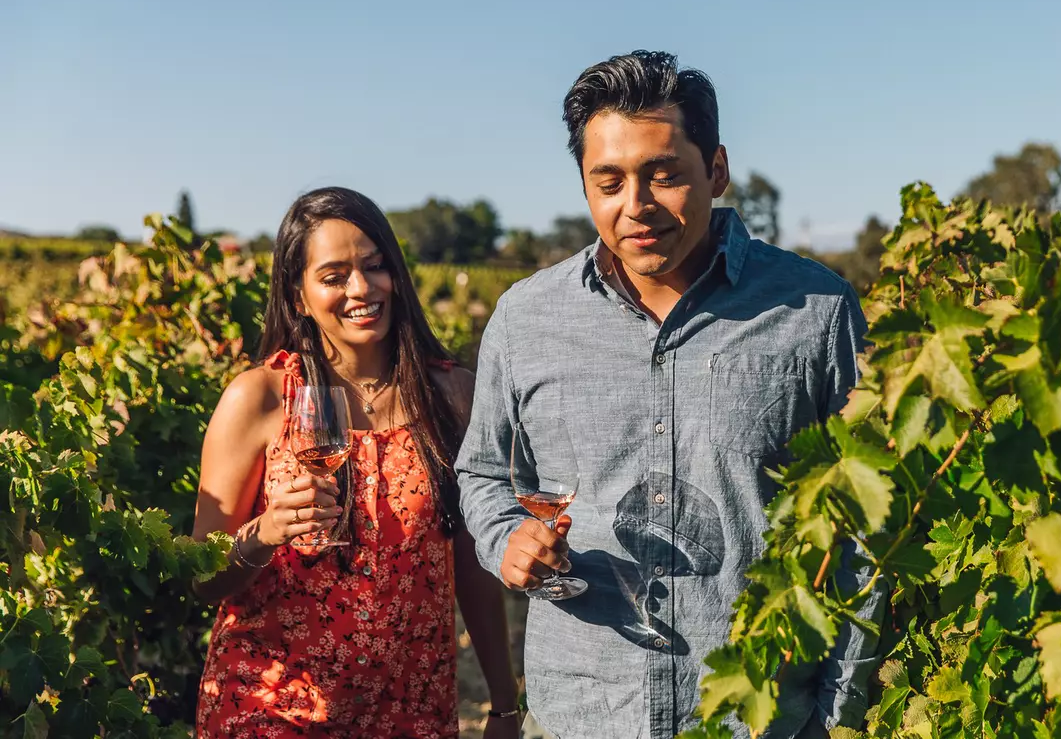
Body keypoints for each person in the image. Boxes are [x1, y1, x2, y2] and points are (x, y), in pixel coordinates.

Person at [455, 51, 882, 739]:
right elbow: (481, 472)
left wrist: (838, 719)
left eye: (664, 175)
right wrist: (506, 538)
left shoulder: (816, 312)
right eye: (609, 182)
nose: (636, 206)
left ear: (716, 169)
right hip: (577, 718)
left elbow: (861, 531)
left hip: (758, 721)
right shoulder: (525, 318)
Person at [191, 188, 520, 738]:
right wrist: (266, 532)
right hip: (272, 712)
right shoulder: (260, 398)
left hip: (411, 711)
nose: (362, 288)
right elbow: (201, 577)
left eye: (374, 266)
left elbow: (473, 563)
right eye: (334, 276)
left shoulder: (452, 398)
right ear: (298, 296)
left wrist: (505, 705)